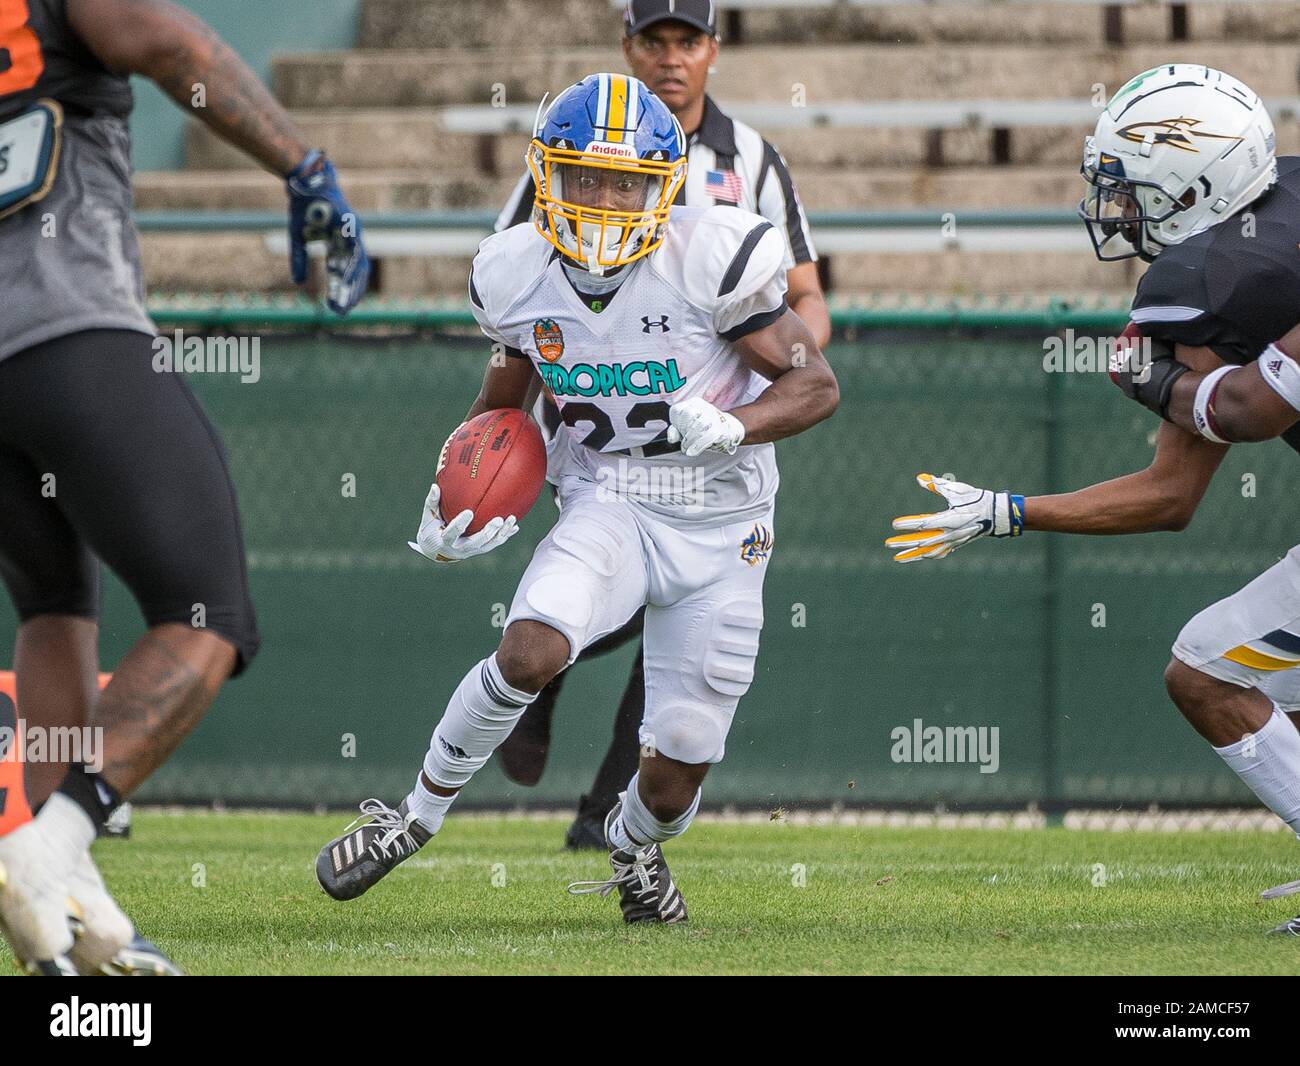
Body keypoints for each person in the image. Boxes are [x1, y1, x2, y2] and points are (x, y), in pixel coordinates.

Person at [317, 73, 837, 923]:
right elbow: (501, 407)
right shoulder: (517, 273)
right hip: (612, 493)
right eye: (582, 177)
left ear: (662, 187)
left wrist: (739, 425)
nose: (600, 200)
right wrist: (458, 496)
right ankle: (411, 819)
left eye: (623, 182)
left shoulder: (711, 255)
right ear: (545, 174)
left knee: (683, 760)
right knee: (529, 650)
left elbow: (816, 386)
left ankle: (632, 850)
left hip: (725, 518)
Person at [885, 65, 1300, 935]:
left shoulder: (1216, 277)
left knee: (1207, 668)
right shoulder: (1245, 250)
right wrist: (1011, 511)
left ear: (1197, 180)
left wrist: (1150, 380)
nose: (1115, 210)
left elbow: (1247, 410)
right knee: (1251, 671)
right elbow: (1172, 492)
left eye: (1129, 187)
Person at [0, 0, 368, 975]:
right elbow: (168, 41)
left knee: (53, 607)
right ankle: (47, 843)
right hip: (65, 328)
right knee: (209, 616)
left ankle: (63, 916)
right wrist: (303, 164)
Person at [495, 0, 831, 849]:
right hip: (604, 434)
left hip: (711, 422)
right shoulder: (567, 146)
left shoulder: (751, 158)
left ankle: (608, 818)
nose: (670, 58)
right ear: (629, 48)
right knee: (600, 600)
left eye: (687, 40)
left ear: (712, 50)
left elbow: (801, 301)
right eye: (655, 41)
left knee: (683, 640)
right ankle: (544, 682)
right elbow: (529, 302)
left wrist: (761, 396)